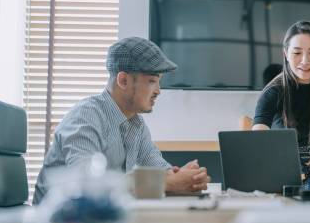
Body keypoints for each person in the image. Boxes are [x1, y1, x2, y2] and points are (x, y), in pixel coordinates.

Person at [33, 37, 210, 204]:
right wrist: (167, 182)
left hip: (100, 220)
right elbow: (87, 186)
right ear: (123, 80)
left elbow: (159, 170)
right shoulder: (85, 117)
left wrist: (184, 177)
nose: (158, 91)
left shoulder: (136, 125)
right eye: (151, 81)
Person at [252, 21, 310, 190]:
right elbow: (258, 141)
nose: (305, 61)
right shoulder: (273, 91)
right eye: (296, 52)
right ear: (286, 54)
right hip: (281, 165)